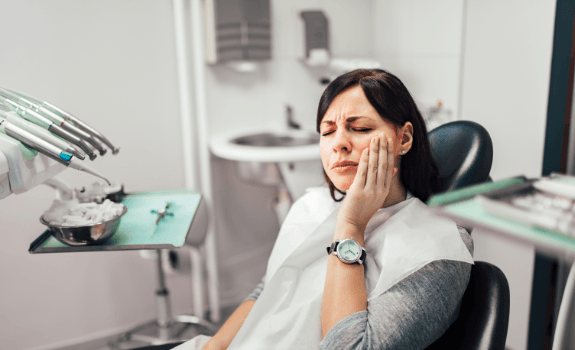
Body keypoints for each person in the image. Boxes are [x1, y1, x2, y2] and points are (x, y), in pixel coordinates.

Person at [176, 69, 474, 350]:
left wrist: (351, 225)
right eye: (327, 131)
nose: (339, 144)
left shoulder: (438, 250)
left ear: (404, 139)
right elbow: (269, 291)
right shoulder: (312, 207)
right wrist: (213, 345)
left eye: (360, 128)